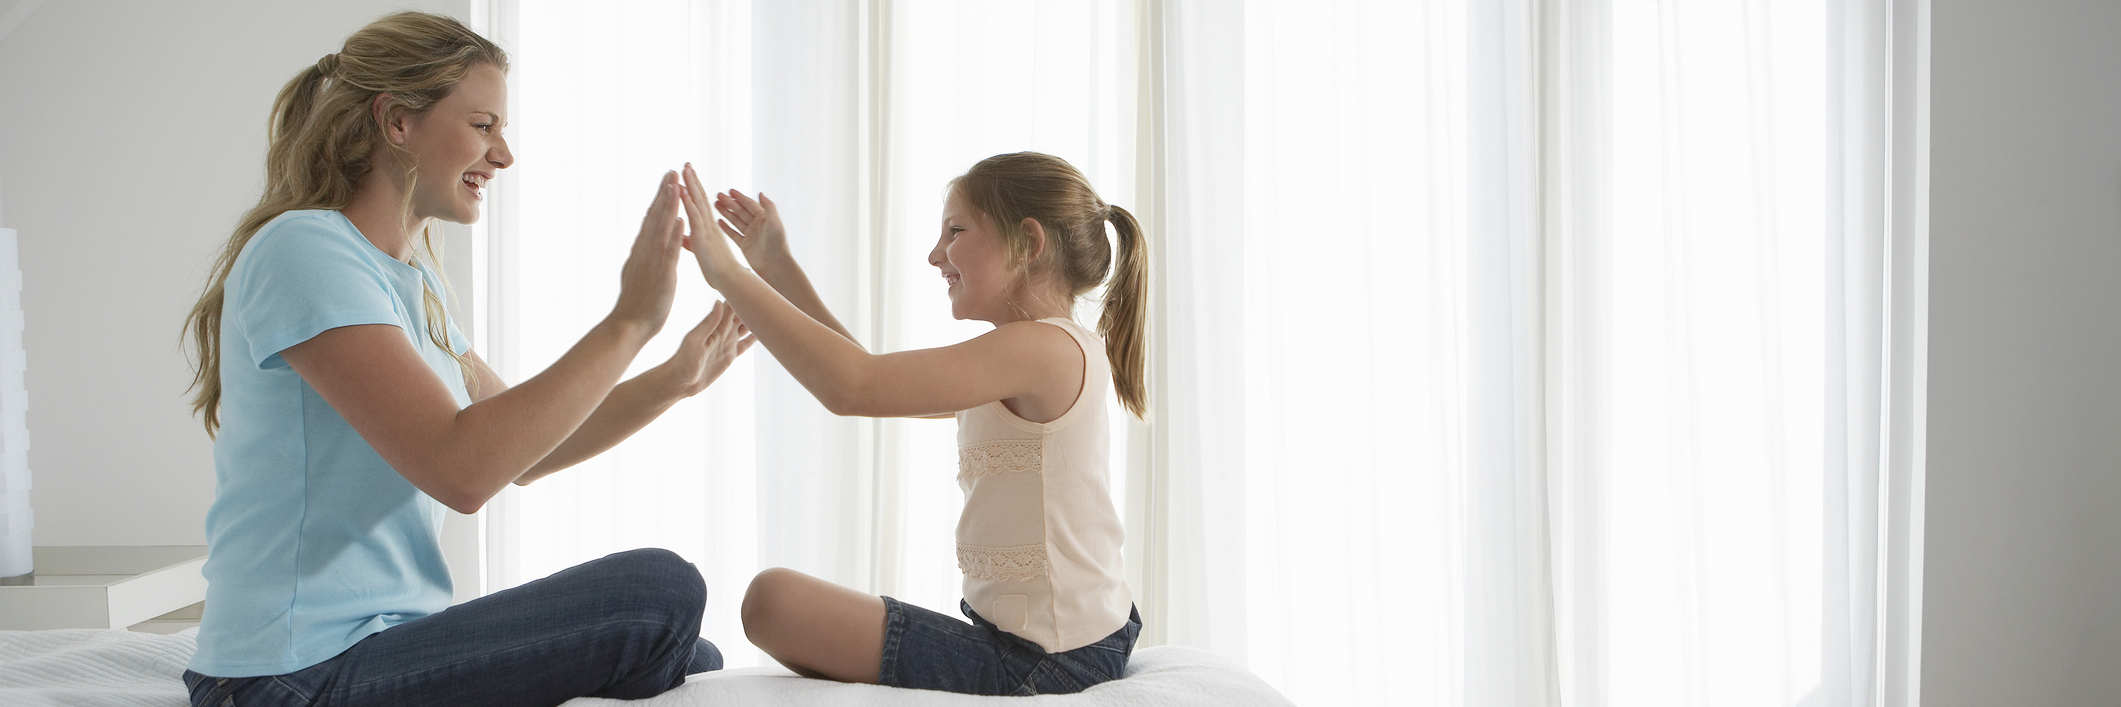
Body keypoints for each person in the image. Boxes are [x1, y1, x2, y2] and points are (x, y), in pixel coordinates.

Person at [178, 12, 752, 707]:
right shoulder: (305, 250)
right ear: (397, 122)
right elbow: (463, 470)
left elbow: (528, 452)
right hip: (290, 671)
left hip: (374, 645)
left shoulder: (409, 283)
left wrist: (673, 380)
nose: (503, 155)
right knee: (661, 592)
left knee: (693, 648)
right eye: (483, 126)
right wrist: (630, 320)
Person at [675, 152, 1148, 695]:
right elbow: (864, 374)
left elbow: (854, 386)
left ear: (1030, 243)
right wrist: (775, 264)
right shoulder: (1040, 350)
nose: (934, 255)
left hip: (1047, 661)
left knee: (771, 603)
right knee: (774, 605)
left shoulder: (1044, 348)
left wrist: (728, 274)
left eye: (955, 231)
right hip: (1063, 644)